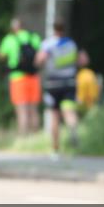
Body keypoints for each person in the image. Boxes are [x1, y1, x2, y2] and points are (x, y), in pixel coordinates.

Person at [34, 20, 80, 157]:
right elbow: (82, 60)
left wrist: (41, 64)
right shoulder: (71, 43)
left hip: (53, 83)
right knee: (69, 111)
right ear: (64, 29)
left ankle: (55, 149)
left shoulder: (48, 44)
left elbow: (39, 60)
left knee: (54, 115)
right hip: (70, 82)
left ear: (53, 29)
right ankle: (72, 128)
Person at [0, 18, 42, 136]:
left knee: (22, 110)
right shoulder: (34, 37)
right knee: (33, 110)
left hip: (18, 78)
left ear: (13, 27)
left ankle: (23, 137)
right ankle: (36, 138)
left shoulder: (9, 39)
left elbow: (1, 55)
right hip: (33, 77)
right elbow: (41, 55)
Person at [75, 50, 100, 114]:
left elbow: (79, 99)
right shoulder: (90, 74)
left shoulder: (83, 75)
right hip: (92, 107)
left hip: (84, 108)